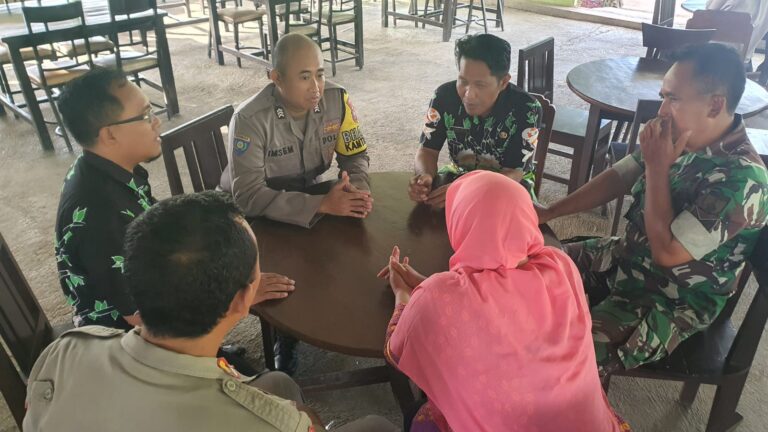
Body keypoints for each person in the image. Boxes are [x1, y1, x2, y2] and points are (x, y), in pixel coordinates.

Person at [24, 191, 397, 432]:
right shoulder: (268, 422)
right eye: (256, 272)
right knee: (378, 425)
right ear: (242, 301)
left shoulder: (67, 348)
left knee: (279, 384)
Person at [537, 43, 768, 377]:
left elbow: (667, 253)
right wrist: (551, 211)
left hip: (668, 301)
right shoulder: (679, 134)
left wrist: (658, 168)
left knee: (561, 360)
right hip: (624, 256)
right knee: (531, 262)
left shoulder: (743, 179)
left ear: (715, 105)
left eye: (673, 99)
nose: (661, 110)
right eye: (663, 95)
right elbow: (620, 175)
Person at [54, 67, 291, 371]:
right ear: (109, 133)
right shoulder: (100, 214)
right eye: (144, 115)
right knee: (261, 386)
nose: (156, 122)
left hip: (147, 308)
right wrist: (234, 299)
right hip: (128, 348)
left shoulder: (102, 168)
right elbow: (142, 316)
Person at [380, 171, 629, 431]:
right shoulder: (560, 265)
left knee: (420, 418)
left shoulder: (439, 296)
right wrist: (427, 286)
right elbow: (499, 303)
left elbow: (395, 350)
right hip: (587, 423)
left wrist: (403, 293)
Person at [219, 33, 373, 228]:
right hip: (249, 217)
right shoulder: (250, 119)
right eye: (305, 77)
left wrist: (356, 190)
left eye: (320, 74)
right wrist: (319, 204)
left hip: (307, 194)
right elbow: (248, 196)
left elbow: (355, 155)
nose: (316, 87)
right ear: (277, 78)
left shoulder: (336, 101)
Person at [408, 33, 542, 208]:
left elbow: (513, 173)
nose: (468, 94)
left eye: (480, 85)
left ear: (503, 82)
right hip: (457, 176)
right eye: (463, 81)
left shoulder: (527, 108)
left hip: (507, 185)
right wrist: (424, 177)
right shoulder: (444, 96)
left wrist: (465, 189)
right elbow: (427, 150)